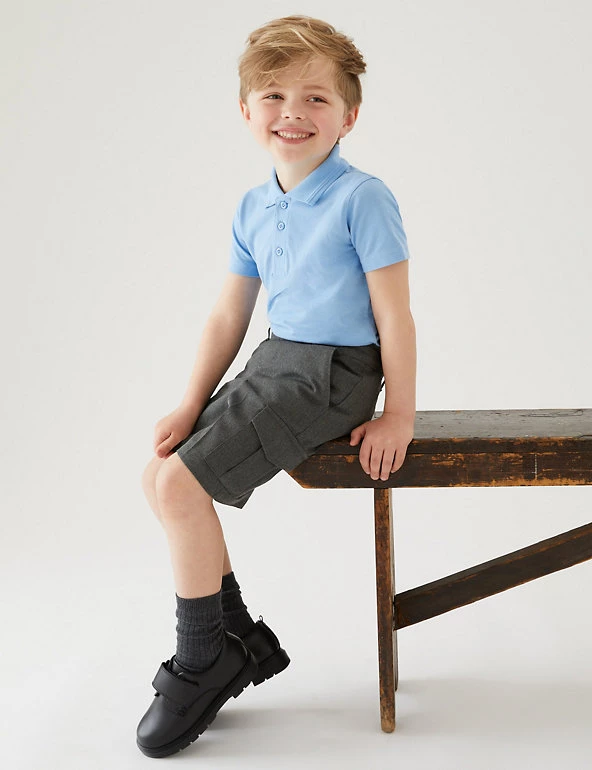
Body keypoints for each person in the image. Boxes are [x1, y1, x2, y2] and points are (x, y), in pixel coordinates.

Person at [136, 14, 416, 758]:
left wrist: (398, 414)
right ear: (246, 111)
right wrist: (191, 402)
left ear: (349, 116)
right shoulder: (252, 206)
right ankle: (235, 638)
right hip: (276, 361)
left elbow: (396, 315)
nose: (293, 112)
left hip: (333, 375)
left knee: (179, 487)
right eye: (273, 95)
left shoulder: (363, 198)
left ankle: (202, 660)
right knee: (159, 477)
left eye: (316, 98)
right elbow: (229, 314)